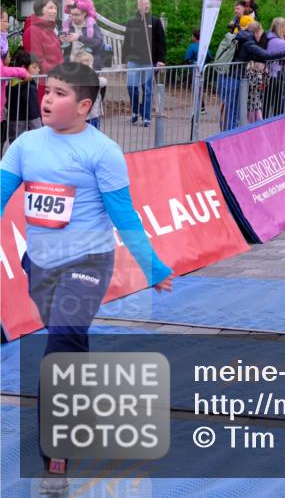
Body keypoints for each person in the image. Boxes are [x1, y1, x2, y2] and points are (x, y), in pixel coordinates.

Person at [0, 61, 173, 490]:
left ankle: (56, 454)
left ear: (83, 105)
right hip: (40, 265)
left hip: (88, 264)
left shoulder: (103, 152)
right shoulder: (25, 144)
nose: (47, 98)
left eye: (59, 93)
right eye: (47, 90)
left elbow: (124, 214)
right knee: (68, 340)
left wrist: (152, 267)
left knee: (60, 346)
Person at [121, 0, 166, 127]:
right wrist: (124, 60)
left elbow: (161, 42)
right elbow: (127, 41)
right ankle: (135, 111)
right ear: (138, 6)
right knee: (131, 87)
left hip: (149, 61)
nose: (146, 6)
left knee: (147, 90)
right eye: (143, 4)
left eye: (147, 3)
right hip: (133, 61)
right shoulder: (131, 22)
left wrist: (161, 59)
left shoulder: (155, 21)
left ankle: (146, 116)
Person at [22, 0, 66, 105]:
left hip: (55, 83)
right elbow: (37, 61)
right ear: (40, 10)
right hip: (42, 85)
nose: (55, 11)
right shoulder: (33, 30)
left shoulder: (51, 31)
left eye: (56, 8)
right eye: (50, 7)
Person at [5, 49, 41, 143]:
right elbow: (34, 115)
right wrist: (38, 131)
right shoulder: (30, 88)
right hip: (28, 129)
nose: (38, 70)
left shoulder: (10, 85)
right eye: (34, 67)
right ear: (23, 68)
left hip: (13, 127)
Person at [61, 4, 105, 70]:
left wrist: (79, 38)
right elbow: (58, 43)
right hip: (70, 63)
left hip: (89, 64)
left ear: (84, 14)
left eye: (76, 15)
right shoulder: (67, 26)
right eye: (71, 14)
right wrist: (61, 39)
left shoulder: (92, 25)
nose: (73, 17)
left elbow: (98, 42)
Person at [72, 50, 107, 128]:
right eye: (90, 65)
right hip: (92, 114)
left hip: (79, 114)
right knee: (93, 132)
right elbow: (103, 81)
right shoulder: (90, 78)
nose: (92, 67)